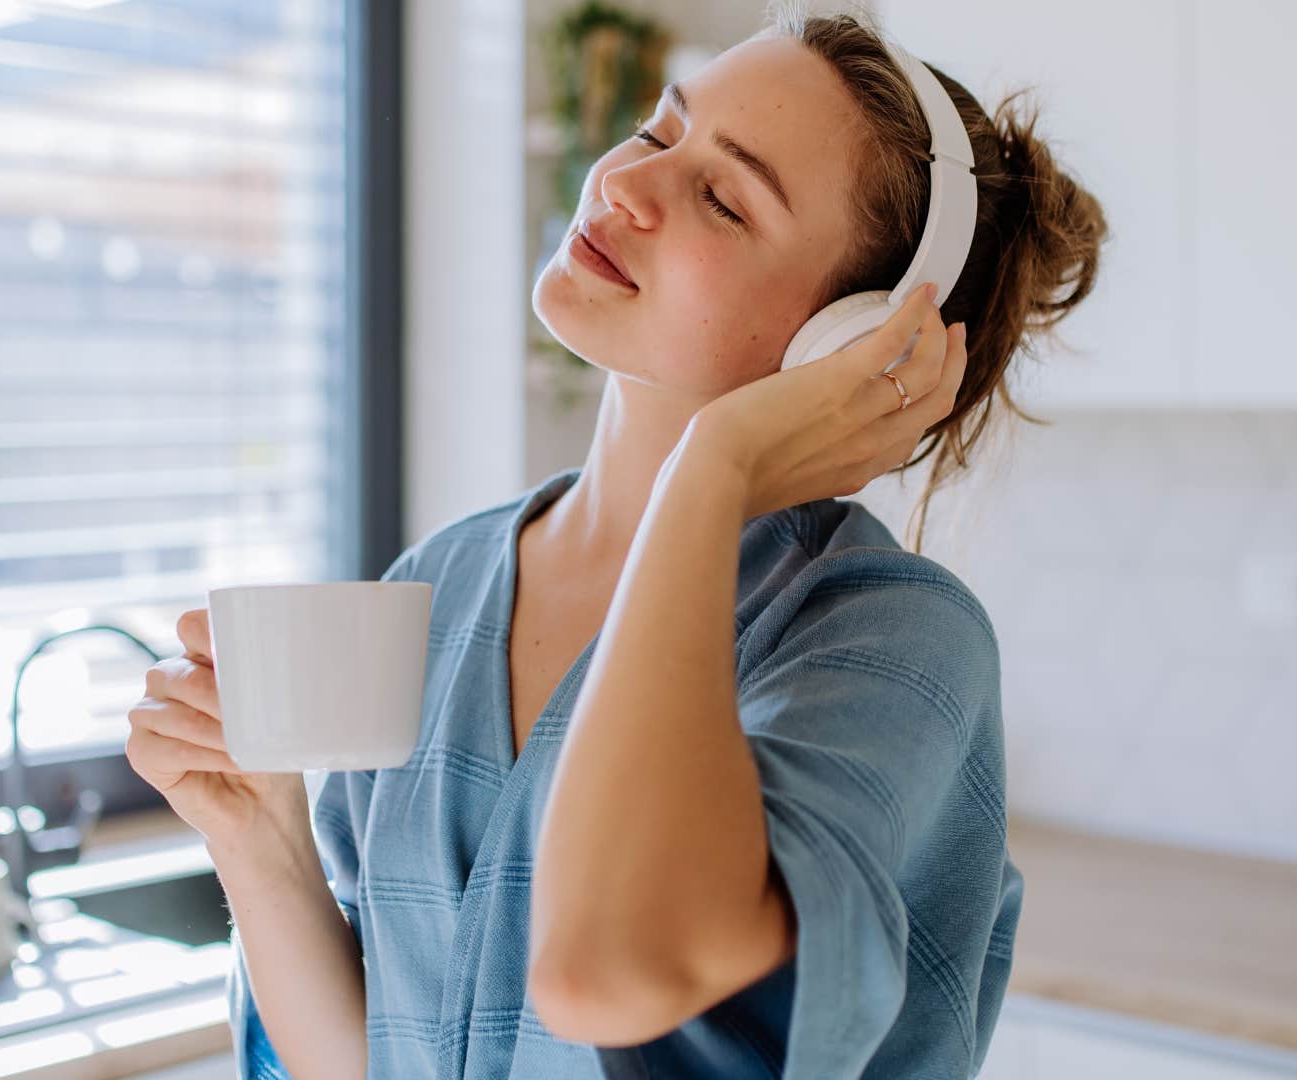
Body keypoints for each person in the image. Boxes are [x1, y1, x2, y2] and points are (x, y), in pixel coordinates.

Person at [126, 2, 1106, 1076]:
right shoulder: (438, 587)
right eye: (657, 131)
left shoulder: (884, 639)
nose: (625, 185)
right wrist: (259, 845)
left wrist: (714, 469)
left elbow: (610, 970)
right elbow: (383, 1058)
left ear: (852, 342)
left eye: (724, 201)